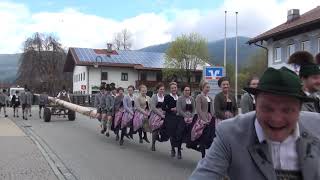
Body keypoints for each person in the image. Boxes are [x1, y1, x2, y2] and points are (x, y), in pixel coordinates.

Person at [189, 67, 320, 180]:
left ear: (300, 108)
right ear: (256, 103)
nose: (277, 119)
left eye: (287, 110)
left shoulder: (317, 126)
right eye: (267, 108)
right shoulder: (229, 133)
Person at [186, 80, 215, 158]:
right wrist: (205, 120)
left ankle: (205, 151)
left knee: (210, 136)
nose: (208, 89)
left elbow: (212, 110)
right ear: (202, 88)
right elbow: (199, 110)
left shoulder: (210, 98)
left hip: (210, 118)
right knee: (202, 136)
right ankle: (203, 155)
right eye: (206, 87)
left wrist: (213, 118)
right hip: (201, 118)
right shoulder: (199, 96)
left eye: (208, 87)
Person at [176, 84, 196, 159]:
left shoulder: (192, 99)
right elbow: (179, 109)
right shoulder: (180, 99)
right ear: (183, 91)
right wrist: (185, 116)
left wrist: (192, 116)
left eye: (188, 90)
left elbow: (194, 109)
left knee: (194, 130)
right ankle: (178, 150)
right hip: (182, 117)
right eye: (186, 90)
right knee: (180, 132)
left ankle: (192, 144)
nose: (187, 91)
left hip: (191, 117)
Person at [162, 82, 180, 157]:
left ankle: (179, 150)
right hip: (170, 117)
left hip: (178, 116)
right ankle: (173, 148)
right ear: (170, 89)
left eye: (175, 88)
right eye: (172, 88)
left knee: (179, 133)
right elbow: (163, 107)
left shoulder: (179, 97)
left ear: (177, 88)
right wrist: (171, 109)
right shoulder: (167, 97)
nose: (174, 89)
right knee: (172, 133)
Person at [149, 83, 165, 151]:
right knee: (155, 127)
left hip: (164, 113)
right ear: (157, 89)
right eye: (161, 89)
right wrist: (161, 114)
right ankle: (153, 144)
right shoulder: (154, 96)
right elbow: (153, 108)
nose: (162, 90)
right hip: (155, 114)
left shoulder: (165, 97)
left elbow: (166, 107)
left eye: (163, 89)